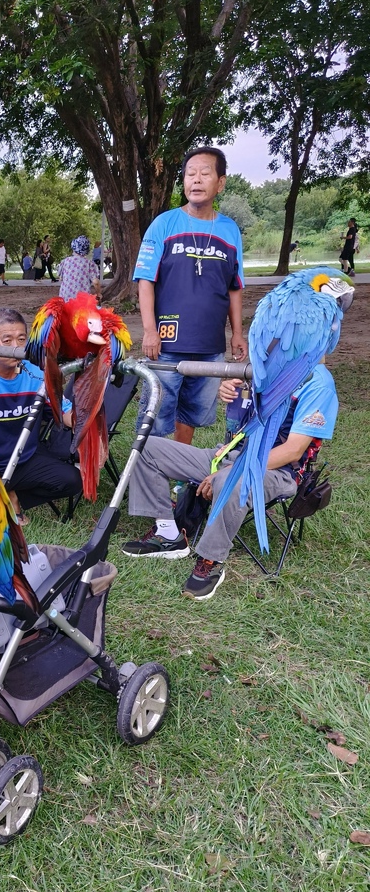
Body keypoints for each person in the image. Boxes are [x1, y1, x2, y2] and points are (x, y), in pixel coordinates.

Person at [121, 365, 339, 601]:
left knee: (230, 481)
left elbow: (292, 451)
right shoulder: (266, 364)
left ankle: (210, 560)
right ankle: (168, 534)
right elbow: (243, 418)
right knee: (147, 447)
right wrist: (232, 393)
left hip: (276, 470)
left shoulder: (317, 382)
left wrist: (233, 470)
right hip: (228, 455)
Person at [133, 146, 248, 444]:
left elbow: (234, 286)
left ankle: (179, 476)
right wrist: (149, 331)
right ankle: (149, 476)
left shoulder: (230, 230)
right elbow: (145, 280)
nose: (195, 180)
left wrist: (237, 333)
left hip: (209, 346)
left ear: (220, 183)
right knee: (156, 415)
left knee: (192, 414)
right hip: (166, 345)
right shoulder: (163, 224)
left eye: (205, 173)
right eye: (190, 174)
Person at [0, 308, 82, 523]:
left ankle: (13, 496)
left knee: (73, 480)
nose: (16, 348)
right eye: (7, 340)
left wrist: (87, 416)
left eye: (21, 339)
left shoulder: (36, 373)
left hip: (24, 459)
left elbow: (65, 413)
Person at [58, 236, 102, 303]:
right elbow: (95, 282)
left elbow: (61, 278)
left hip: (64, 298)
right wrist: (98, 293)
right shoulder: (89, 263)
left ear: (74, 248)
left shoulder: (65, 261)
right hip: (81, 300)